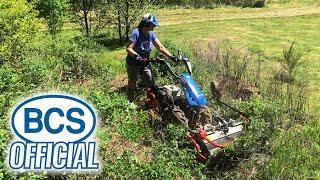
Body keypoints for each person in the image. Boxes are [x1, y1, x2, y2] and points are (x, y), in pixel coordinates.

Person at [126, 13, 176, 102]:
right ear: (146, 23)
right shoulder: (136, 33)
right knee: (133, 82)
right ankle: (130, 101)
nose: (154, 27)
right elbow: (129, 48)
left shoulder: (151, 34)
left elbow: (160, 47)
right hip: (134, 63)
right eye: (152, 24)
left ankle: (150, 100)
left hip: (145, 63)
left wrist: (171, 56)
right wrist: (138, 57)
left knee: (151, 80)